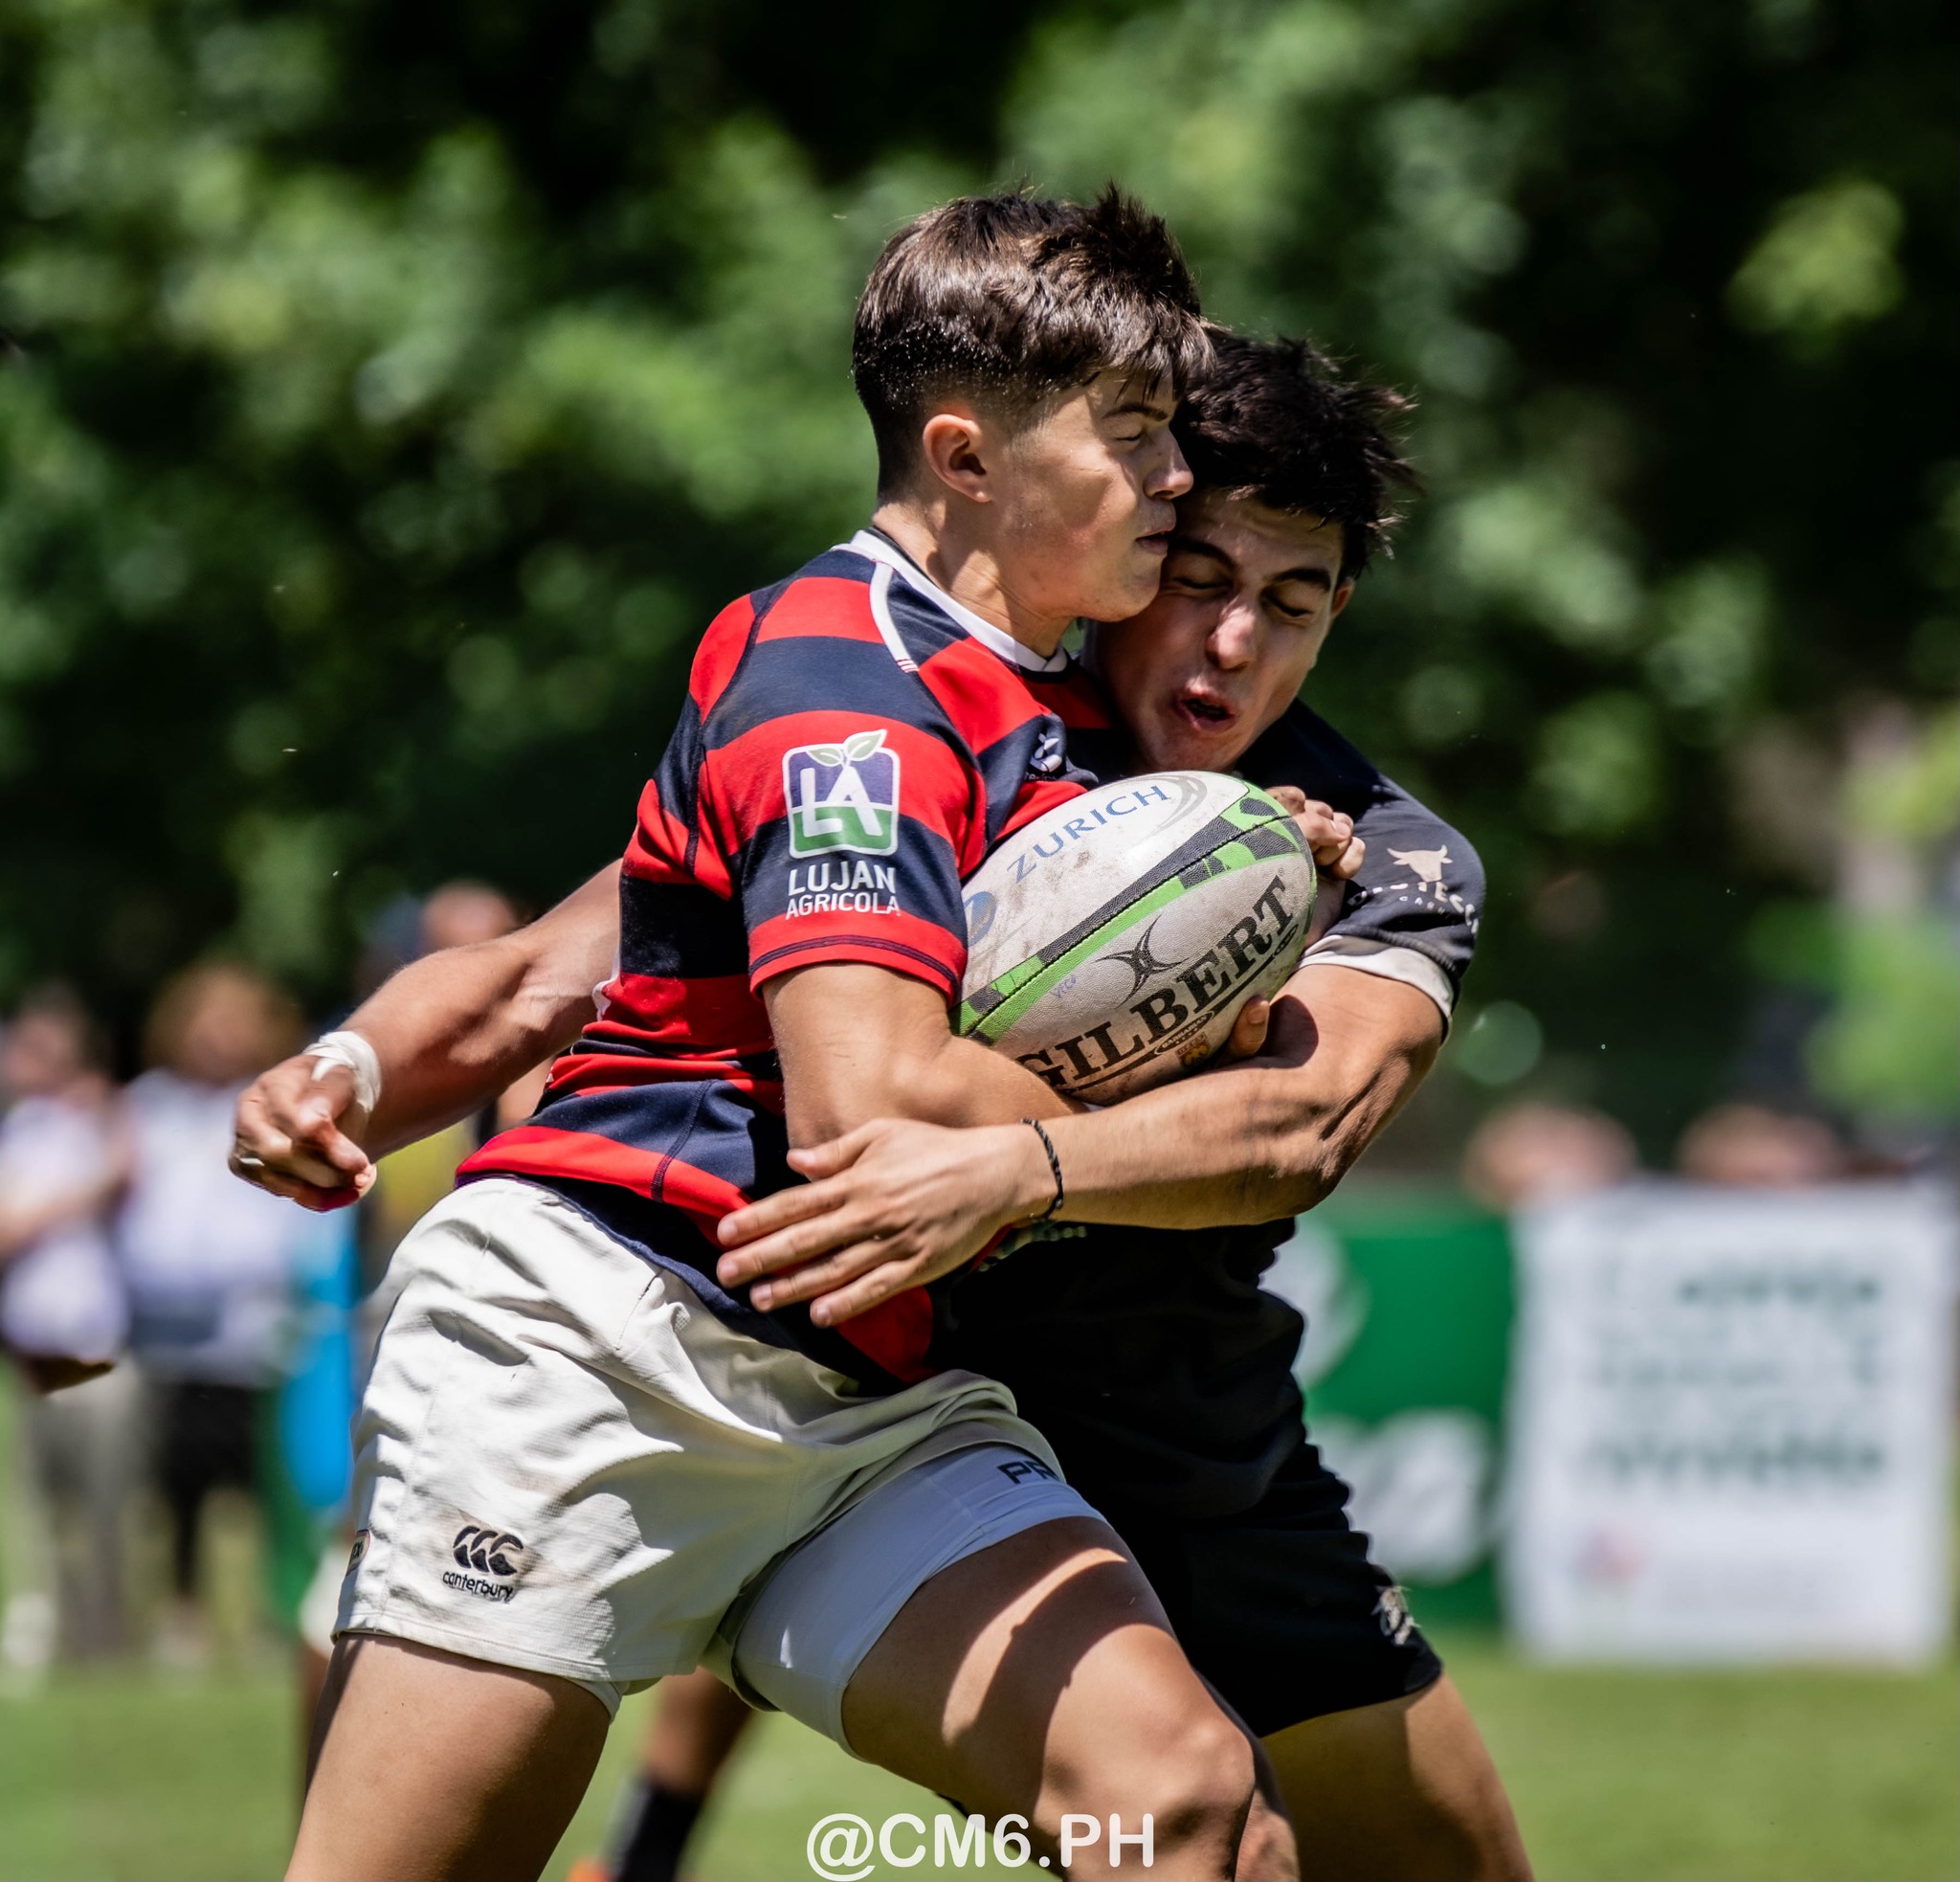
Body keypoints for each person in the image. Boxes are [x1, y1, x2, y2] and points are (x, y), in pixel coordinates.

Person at [239, 325, 1528, 1879]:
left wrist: (1021, 1169)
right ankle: (653, 1835)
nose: (1232, 643)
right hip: (804, 1340)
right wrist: (357, 1073)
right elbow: (558, 965)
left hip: (1148, 1418)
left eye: (1292, 603)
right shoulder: (914, 705)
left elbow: (1304, 1126)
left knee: (1378, 1855)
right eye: (1198, 575)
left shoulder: (1378, 856)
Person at [118, 962, 309, 1662]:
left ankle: (273, 1611)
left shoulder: (277, 1103)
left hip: (254, 1329)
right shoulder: (147, 1106)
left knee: (265, 1483)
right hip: (165, 1332)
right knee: (179, 1479)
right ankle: (181, 1611)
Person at [0, 987, 134, 1669]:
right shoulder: (16, 1134)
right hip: (31, 1349)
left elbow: (129, 1174)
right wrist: (68, 1201)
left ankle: (106, 1635)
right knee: (40, 1506)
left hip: (94, 1344)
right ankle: (50, 1625)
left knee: (107, 1502)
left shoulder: (96, 1122)